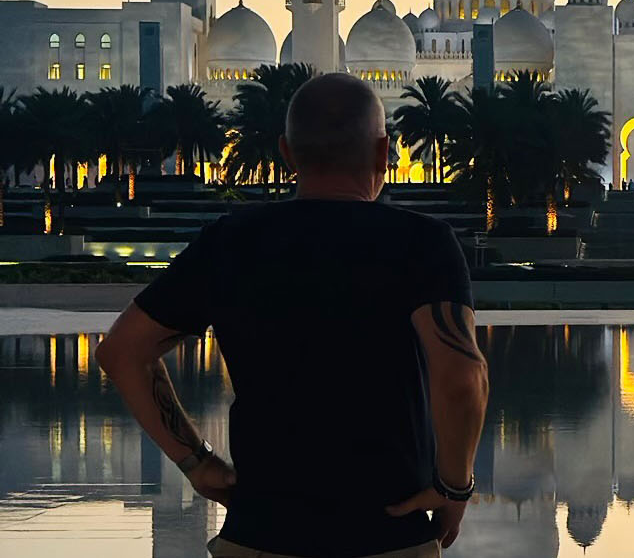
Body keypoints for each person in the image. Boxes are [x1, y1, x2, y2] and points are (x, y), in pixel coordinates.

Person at [97, 73, 490, 558]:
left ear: (286, 152)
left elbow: (122, 352)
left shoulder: (231, 242)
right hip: (387, 537)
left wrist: (196, 461)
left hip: (260, 536)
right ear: (384, 152)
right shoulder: (422, 243)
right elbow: (462, 378)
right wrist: (454, 486)